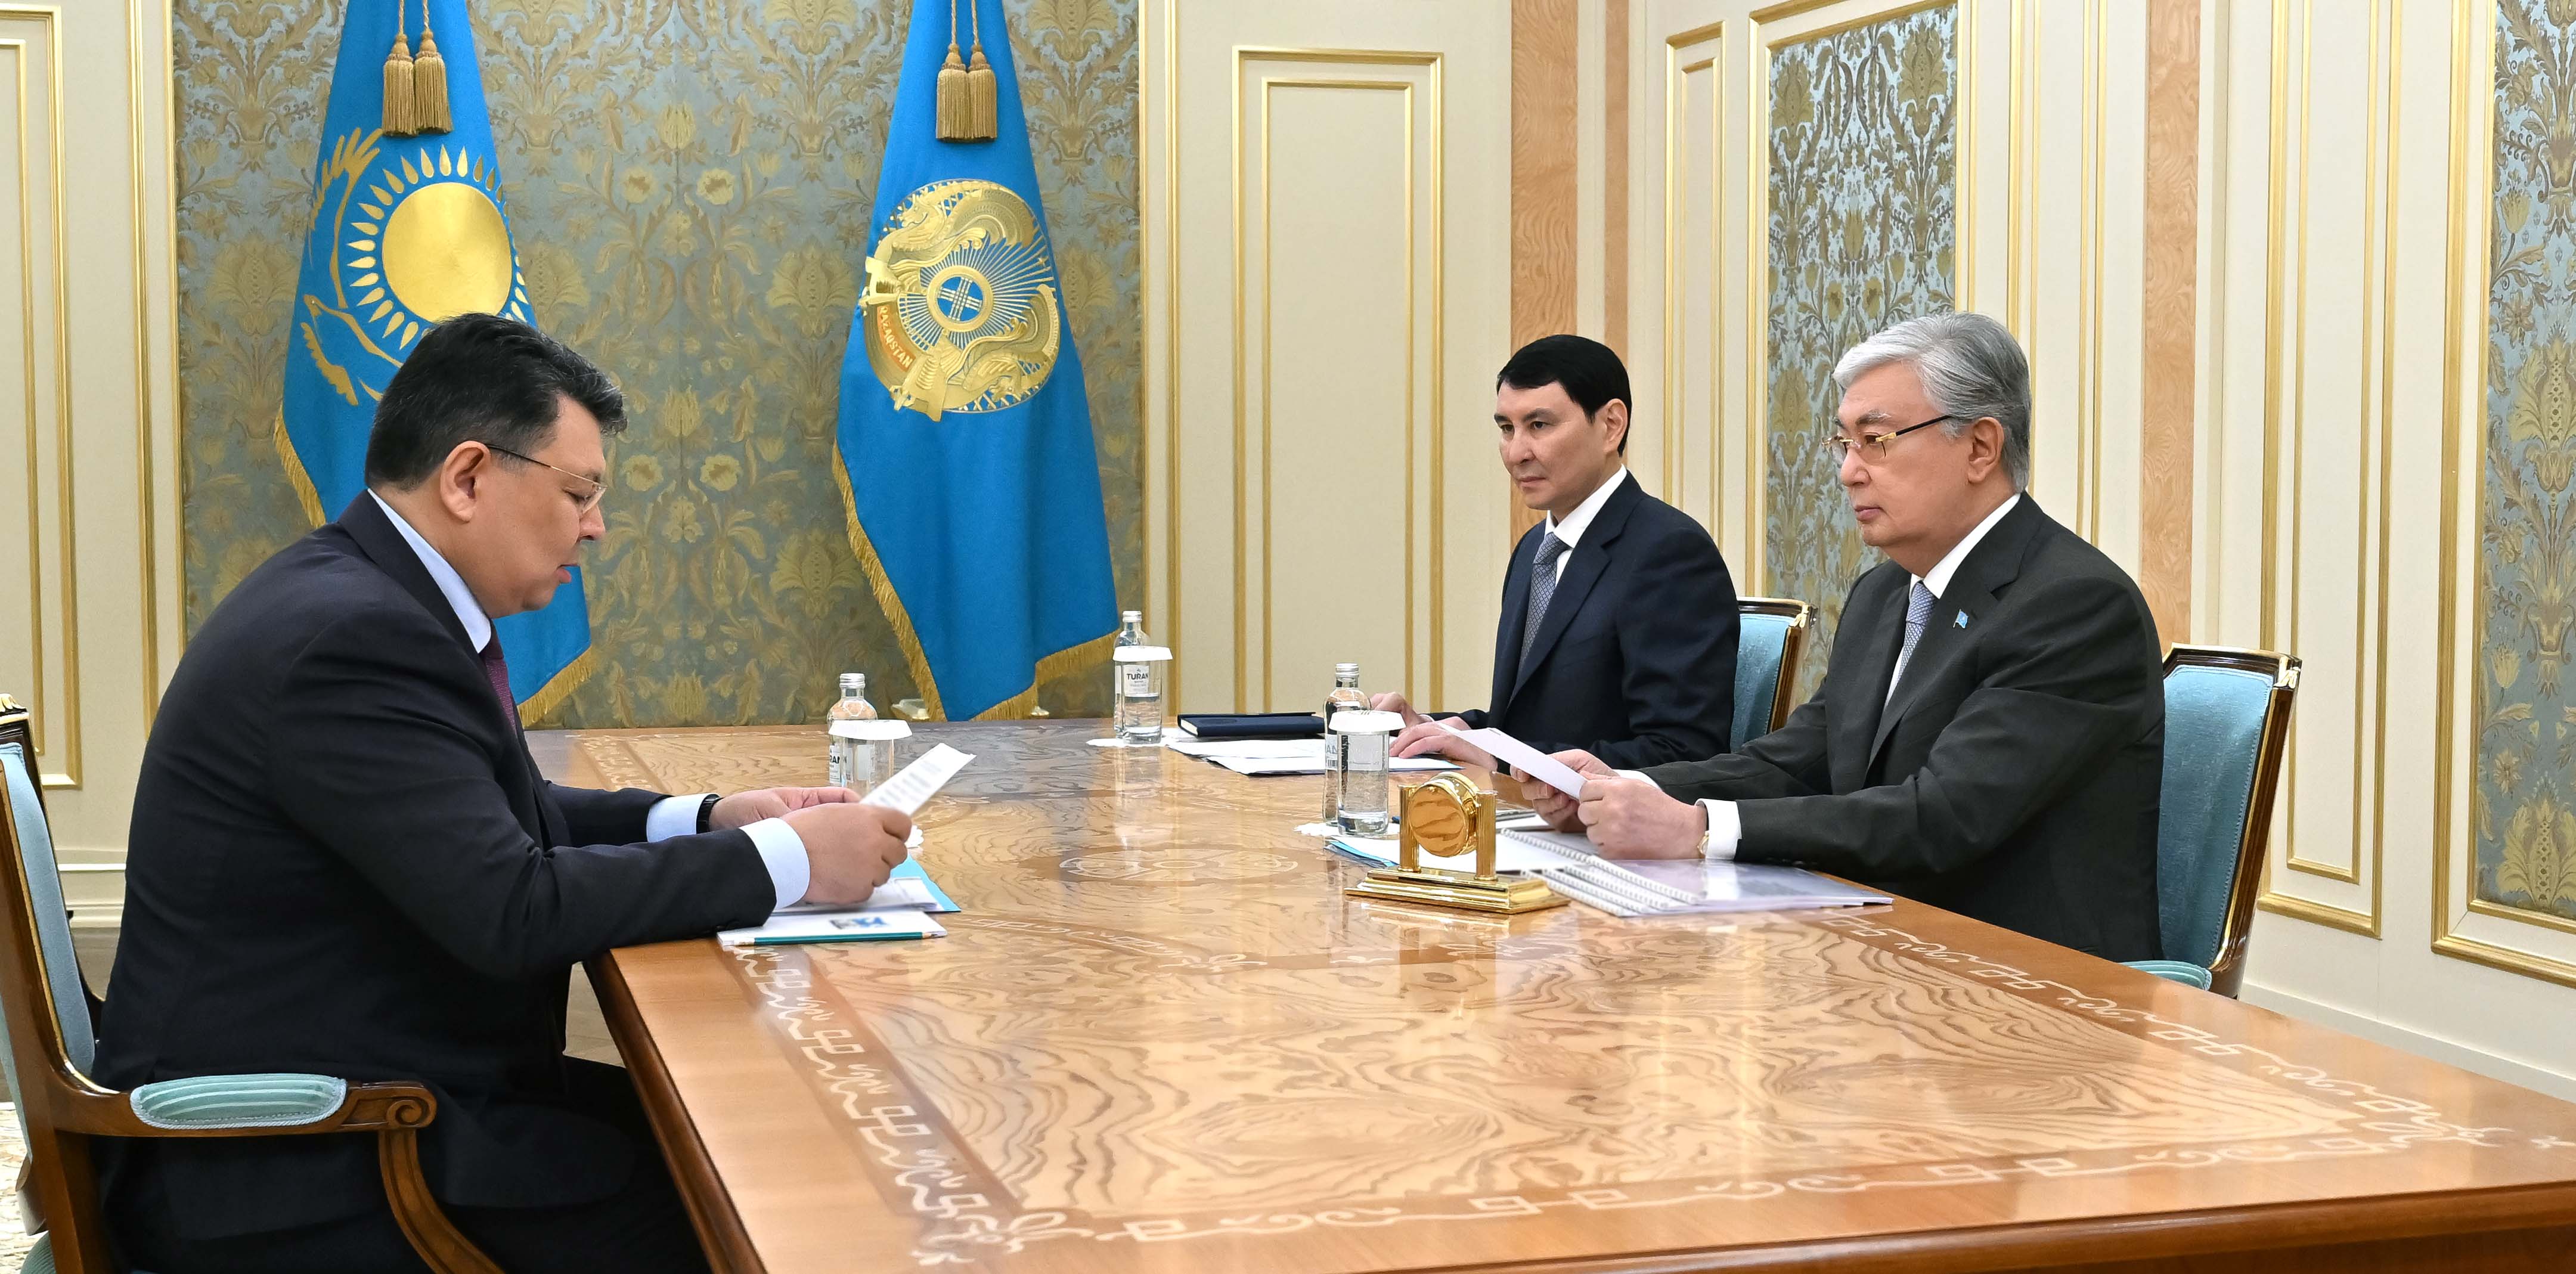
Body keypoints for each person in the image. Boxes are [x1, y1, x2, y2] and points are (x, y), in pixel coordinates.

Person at [95, 314, 913, 1273]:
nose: (596, 527)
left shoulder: (363, 595)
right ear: (469, 477)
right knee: (765, 1211)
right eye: (579, 493)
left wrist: (708, 818)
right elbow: (511, 908)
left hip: (371, 1090)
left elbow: (505, 818)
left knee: (757, 1134)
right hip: (285, 1159)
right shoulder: (353, 638)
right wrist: (787, 864)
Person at [1529, 312, 2165, 960]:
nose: (1848, 472)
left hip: (2030, 976)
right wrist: (1627, 786)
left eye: (1876, 440)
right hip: (1882, 945)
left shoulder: (2074, 604)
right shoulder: (1883, 593)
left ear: (1980, 447)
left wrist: (1699, 829)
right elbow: (1794, 763)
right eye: (1844, 443)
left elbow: (1942, 816)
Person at [1371, 334, 1740, 770]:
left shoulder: (1670, 552)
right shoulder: (1534, 547)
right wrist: (1437, 731)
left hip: (1597, 815)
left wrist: (1503, 759)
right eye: (1506, 429)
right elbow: (1531, 725)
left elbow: (1683, 753)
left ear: (1611, 425)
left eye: (1539, 426)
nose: (1516, 453)